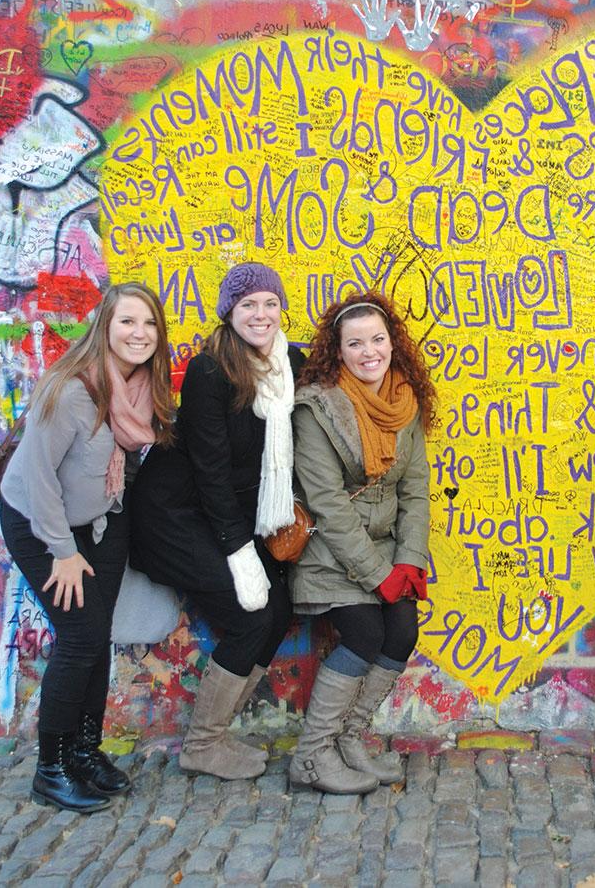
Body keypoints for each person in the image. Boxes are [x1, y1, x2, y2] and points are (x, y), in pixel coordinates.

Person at [0, 282, 175, 812]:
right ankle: (50, 769)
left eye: (148, 323)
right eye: (127, 322)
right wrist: (62, 551)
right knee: (80, 636)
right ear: (105, 327)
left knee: (98, 635)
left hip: (100, 518)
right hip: (40, 523)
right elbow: (36, 477)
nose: (139, 333)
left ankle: (84, 751)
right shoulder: (71, 389)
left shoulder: (141, 387)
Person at [128, 263, 302, 780]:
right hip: (174, 516)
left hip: (228, 513)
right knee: (251, 614)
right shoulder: (211, 372)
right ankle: (203, 744)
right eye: (248, 305)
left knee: (280, 607)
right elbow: (210, 469)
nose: (261, 314)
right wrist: (239, 551)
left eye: (270, 303)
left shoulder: (291, 364)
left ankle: (216, 734)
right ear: (229, 313)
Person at [287, 293, 436, 794]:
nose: (369, 351)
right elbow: (327, 503)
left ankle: (350, 740)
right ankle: (311, 757)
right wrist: (379, 575)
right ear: (339, 350)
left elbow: (415, 490)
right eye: (355, 343)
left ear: (392, 342)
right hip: (330, 553)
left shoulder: (404, 402)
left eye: (378, 339)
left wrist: (409, 561)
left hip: (389, 548)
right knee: (365, 633)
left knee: (402, 634)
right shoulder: (316, 408)